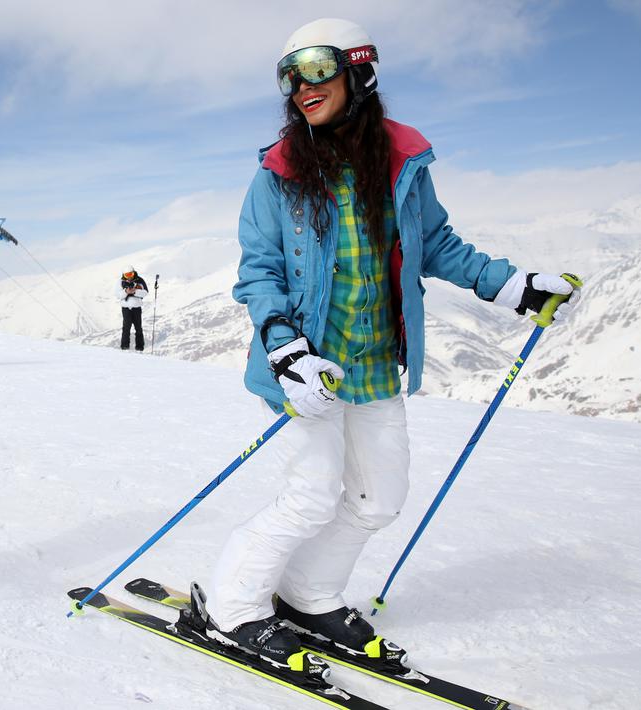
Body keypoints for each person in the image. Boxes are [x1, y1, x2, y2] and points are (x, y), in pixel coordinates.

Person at [187, 18, 581, 676]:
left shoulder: (401, 166)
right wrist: (286, 353)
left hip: (371, 364)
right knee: (310, 496)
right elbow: (259, 274)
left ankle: (307, 595)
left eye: (315, 67)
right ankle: (229, 607)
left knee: (379, 501)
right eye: (288, 74)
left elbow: (438, 246)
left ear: (357, 70)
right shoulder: (276, 177)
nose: (299, 86)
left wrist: (512, 285)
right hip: (304, 371)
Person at [118, 267, 148, 351]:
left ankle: (139, 348)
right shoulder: (120, 282)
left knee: (138, 328)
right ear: (123, 275)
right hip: (126, 308)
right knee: (126, 328)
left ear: (133, 273)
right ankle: (124, 347)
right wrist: (126, 292)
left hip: (136, 308)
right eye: (126, 275)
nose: (129, 277)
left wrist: (135, 291)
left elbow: (145, 293)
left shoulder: (140, 280)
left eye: (130, 274)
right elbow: (118, 294)